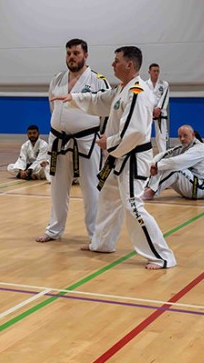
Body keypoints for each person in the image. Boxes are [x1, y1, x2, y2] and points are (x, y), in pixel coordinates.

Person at [52, 46, 176, 270]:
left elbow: (135, 132)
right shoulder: (122, 89)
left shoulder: (137, 92)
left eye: (116, 61)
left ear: (129, 65)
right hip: (118, 157)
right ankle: (102, 243)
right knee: (108, 199)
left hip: (132, 158)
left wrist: (107, 143)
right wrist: (74, 98)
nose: (112, 64)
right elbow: (100, 100)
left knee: (133, 206)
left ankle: (162, 256)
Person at [36, 38, 110, 243]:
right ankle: (54, 230)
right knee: (57, 188)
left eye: (76, 53)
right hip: (59, 140)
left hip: (87, 141)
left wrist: (104, 136)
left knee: (91, 189)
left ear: (86, 55)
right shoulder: (57, 79)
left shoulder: (98, 80)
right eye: (68, 53)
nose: (72, 57)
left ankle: (95, 235)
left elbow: (106, 111)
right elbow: (54, 107)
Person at [141, 125, 204, 201]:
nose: (182, 139)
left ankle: (151, 193)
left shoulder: (200, 149)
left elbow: (177, 162)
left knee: (174, 168)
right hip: (191, 185)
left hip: (201, 188)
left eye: (185, 135)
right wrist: (153, 164)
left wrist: (157, 165)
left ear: (193, 135)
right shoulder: (183, 147)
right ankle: (147, 188)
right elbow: (163, 155)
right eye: (180, 136)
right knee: (163, 165)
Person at [145, 63, 170, 156]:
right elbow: (144, 98)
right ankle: (146, 155)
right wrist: (152, 109)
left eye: (157, 71)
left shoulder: (164, 84)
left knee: (161, 136)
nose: (156, 73)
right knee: (145, 134)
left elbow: (165, 98)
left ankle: (162, 156)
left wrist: (158, 109)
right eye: (154, 71)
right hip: (148, 112)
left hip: (160, 113)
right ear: (149, 72)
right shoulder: (144, 84)